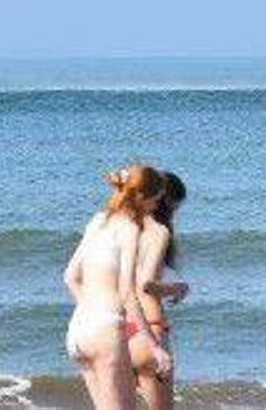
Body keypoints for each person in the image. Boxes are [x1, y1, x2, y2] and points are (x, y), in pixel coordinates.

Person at [64, 164, 171, 410]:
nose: (156, 206)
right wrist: (155, 348)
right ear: (141, 197)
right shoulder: (130, 229)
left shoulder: (97, 221)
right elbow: (127, 294)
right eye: (155, 200)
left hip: (78, 332)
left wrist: (93, 313)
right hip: (105, 333)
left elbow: (70, 276)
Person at [129, 172, 189, 410]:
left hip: (123, 330)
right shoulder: (159, 232)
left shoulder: (126, 228)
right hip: (150, 328)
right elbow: (146, 284)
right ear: (166, 202)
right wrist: (178, 287)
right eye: (176, 207)